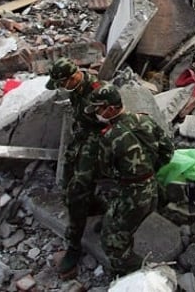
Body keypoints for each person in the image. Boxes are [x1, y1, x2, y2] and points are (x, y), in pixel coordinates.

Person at [64, 84, 173, 279]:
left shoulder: (110, 137)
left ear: (111, 108)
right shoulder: (144, 120)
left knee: (112, 243)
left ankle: (144, 273)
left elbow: (107, 171)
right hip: (152, 187)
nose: (96, 113)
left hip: (133, 195)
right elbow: (168, 151)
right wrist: (148, 169)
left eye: (98, 109)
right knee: (117, 220)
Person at [47, 59, 104, 280]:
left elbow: (110, 125)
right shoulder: (77, 89)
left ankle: (74, 246)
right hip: (81, 140)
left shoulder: (98, 92)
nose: (61, 89)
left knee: (76, 194)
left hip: (96, 145)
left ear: (72, 78)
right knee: (67, 181)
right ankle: (99, 206)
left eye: (62, 84)